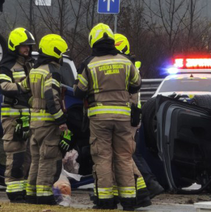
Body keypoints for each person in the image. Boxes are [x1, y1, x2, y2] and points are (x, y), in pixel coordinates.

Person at [75, 24, 142, 210]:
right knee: (124, 157)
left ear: (93, 41)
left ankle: (105, 200)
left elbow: (79, 91)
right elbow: (137, 84)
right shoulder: (125, 61)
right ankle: (129, 200)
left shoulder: (89, 63)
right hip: (123, 117)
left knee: (103, 157)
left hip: (99, 117)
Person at [114, 33, 162, 204]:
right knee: (131, 153)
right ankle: (144, 188)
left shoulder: (125, 66)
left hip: (128, 116)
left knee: (129, 154)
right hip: (131, 115)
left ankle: (148, 185)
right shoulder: (130, 65)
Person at [26, 34, 69, 205]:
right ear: (55, 52)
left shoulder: (35, 70)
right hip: (48, 124)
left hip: (35, 123)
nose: (62, 57)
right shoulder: (52, 72)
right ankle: (44, 195)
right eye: (61, 53)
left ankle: (31, 192)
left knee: (36, 159)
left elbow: (28, 94)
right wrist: (61, 121)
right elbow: (52, 99)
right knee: (48, 159)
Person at [0, 27, 36, 202]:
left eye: (28, 46)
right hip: (12, 116)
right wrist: (24, 86)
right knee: (15, 153)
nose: (27, 49)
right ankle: (13, 190)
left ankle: (24, 190)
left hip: (28, 115)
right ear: (14, 46)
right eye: (23, 46)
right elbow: (4, 87)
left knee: (28, 154)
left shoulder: (30, 64)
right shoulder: (6, 66)